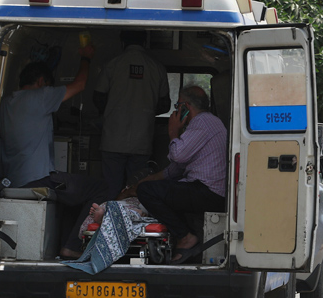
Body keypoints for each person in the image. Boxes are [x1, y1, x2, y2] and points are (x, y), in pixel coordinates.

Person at [0, 45, 110, 259]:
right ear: (41, 83)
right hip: (39, 180)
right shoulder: (40, 97)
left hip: (14, 180)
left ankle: (64, 245)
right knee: (100, 187)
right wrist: (86, 58)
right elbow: (79, 85)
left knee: (71, 194)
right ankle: (73, 246)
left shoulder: (6, 103)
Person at [135, 86, 227, 264]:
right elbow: (175, 169)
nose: (176, 110)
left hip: (208, 192)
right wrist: (145, 182)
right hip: (205, 190)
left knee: (147, 192)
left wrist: (173, 131)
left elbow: (178, 155)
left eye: (178, 105)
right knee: (149, 189)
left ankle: (185, 237)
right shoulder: (205, 123)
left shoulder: (203, 122)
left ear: (185, 106)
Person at [93, 30, 170, 199]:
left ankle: (107, 221)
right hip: (142, 140)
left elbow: (97, 97)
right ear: (145, 42)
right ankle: (131, 223)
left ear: (122, 42)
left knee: (110, 189)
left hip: (112, 139)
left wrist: (113, 109)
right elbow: (165, 105)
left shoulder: (112, 64)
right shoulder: (157, 67)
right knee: (136, 189)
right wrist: (145, 109)